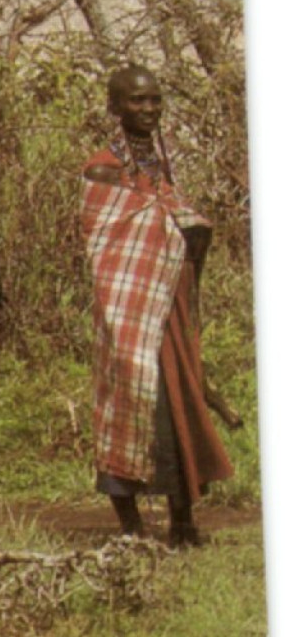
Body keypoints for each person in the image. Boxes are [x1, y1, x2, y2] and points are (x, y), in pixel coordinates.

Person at [82, 65, 233, 545]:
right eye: (136, 101)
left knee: (181, 402)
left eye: (154, 100)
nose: (147, 110)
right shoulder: (103, 167)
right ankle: (131, 529)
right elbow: (108, 248)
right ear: (114, 107)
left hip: (172, 305)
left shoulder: (160, 163)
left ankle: (184, 524)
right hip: (129, 311)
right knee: (133, 402)